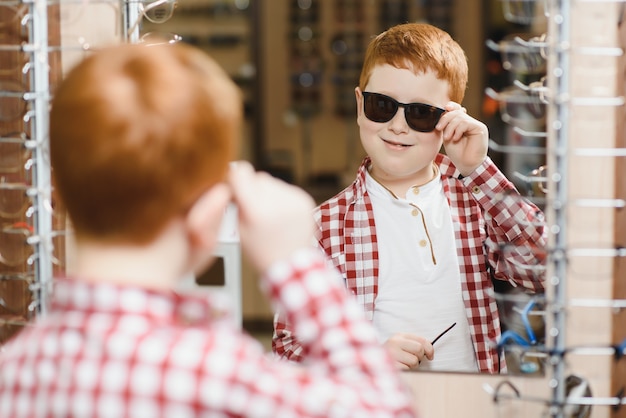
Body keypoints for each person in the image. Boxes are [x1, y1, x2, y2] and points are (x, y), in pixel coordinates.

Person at [0, 42, 418, 417]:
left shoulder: (13, 372)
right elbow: (386, 408)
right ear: (207, 218)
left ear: (57, 194)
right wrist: (295, 263)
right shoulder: (221, 376)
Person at [273, 22, 547, 374]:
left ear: (450, 119)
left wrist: (479, 169)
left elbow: (543, 270)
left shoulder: (475, 201)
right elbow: (289, 347)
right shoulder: (323, 227)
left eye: (420, 113)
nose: (398, 126)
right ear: (360, 105)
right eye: (382, 105)